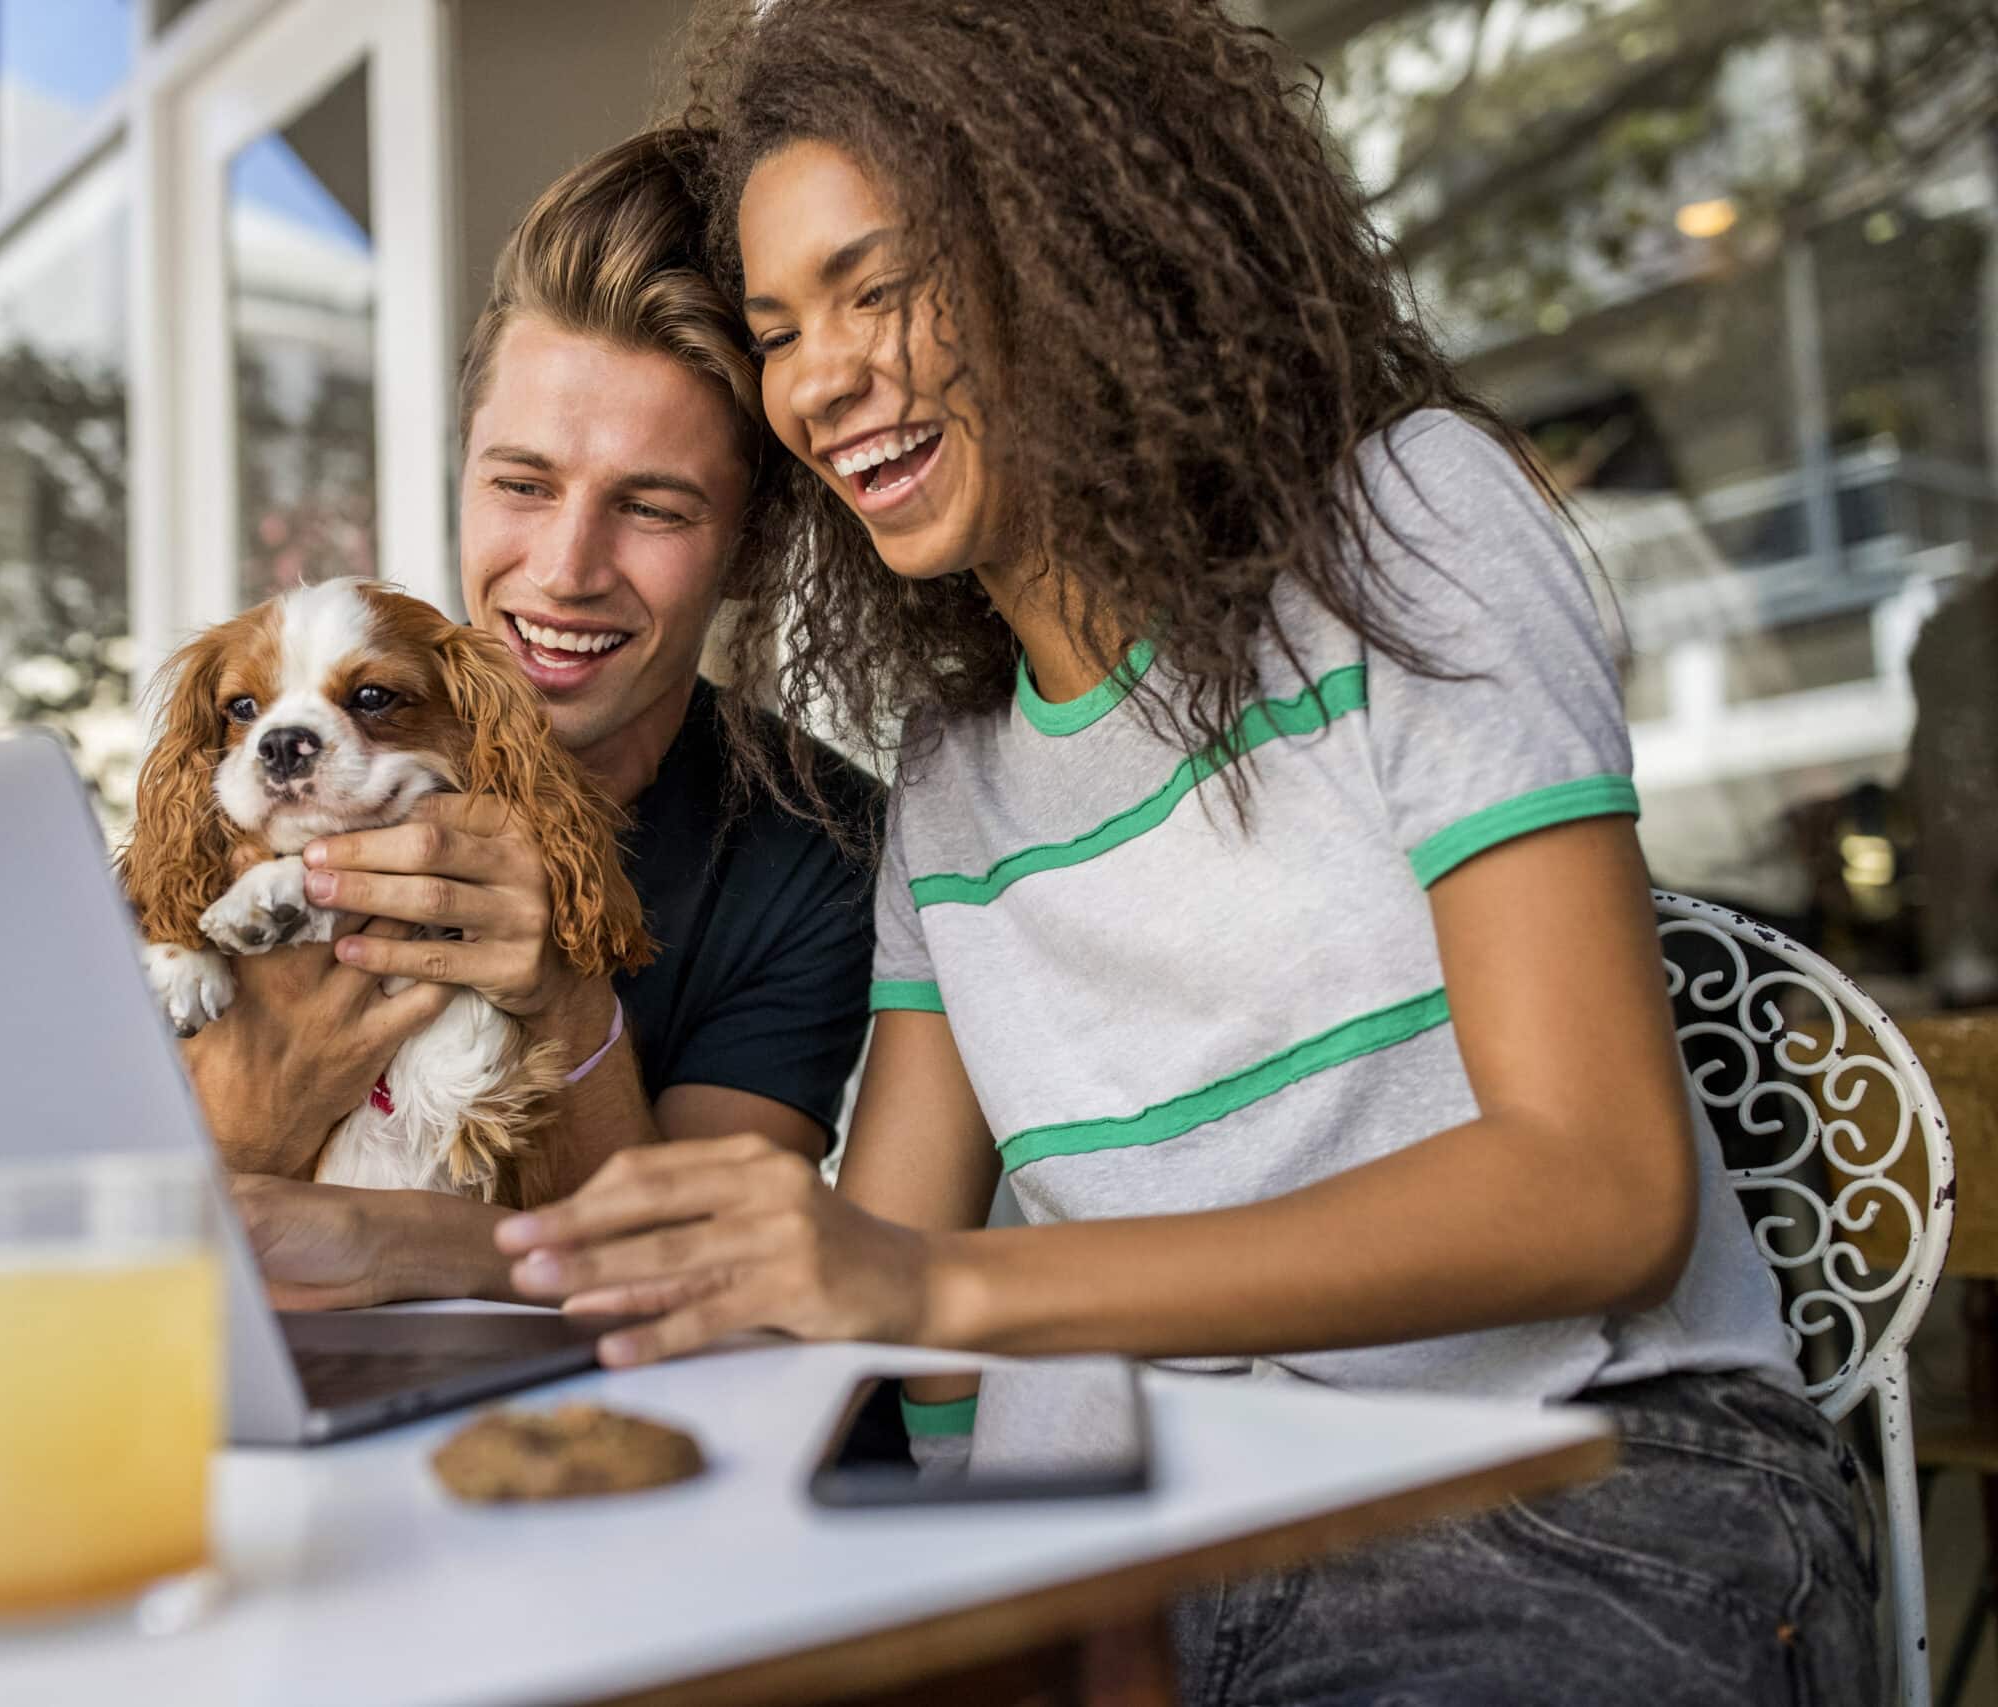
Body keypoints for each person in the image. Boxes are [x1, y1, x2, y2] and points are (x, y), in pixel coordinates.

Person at [489, 3, 1877, 1700]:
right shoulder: (955, 779)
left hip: (1551, 1491)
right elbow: (845, 1307)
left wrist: (949, 1283)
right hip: (1129, 1553)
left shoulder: (1405, 533)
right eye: (781, 328)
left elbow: (1602, 1184)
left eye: (882, 283)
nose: (824, 377)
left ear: (1078, 245)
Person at [189, 131, 881, 1308]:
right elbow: (86, 1235)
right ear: (461, 470)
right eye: (521, 484)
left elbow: (712, 1287)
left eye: (652, 507)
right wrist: (272, 1102)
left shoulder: (810, 845)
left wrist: (563, 999)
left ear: (752, 548)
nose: (563, 571)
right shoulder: (260, 762)